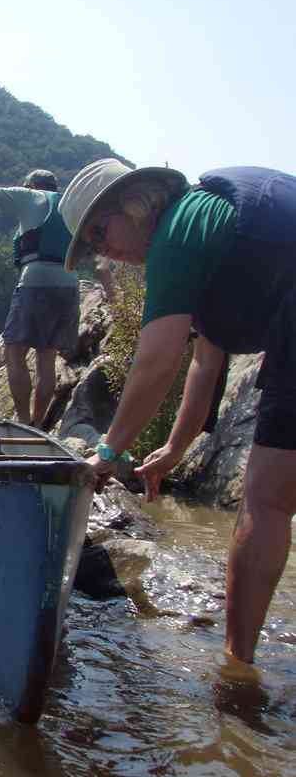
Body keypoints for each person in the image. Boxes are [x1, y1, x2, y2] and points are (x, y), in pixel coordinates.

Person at [58, 158, 296, 666]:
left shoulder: (177, 232)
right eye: (94, 248)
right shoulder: (209, 228)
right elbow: (202, 364)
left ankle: (236, 670)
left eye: (101, 232)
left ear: (135, 202)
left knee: (267, 501)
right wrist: (173, 449)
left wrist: (107, 450)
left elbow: (157, 359)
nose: (106, 250)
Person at [0, 169, 80, 428]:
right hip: (69, 285)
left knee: (14, 353)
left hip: (35, 283)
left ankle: (24, 422)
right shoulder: (72, 205)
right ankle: (38, 425)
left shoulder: (28, 195)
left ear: (31, 185)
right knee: (46, 357)